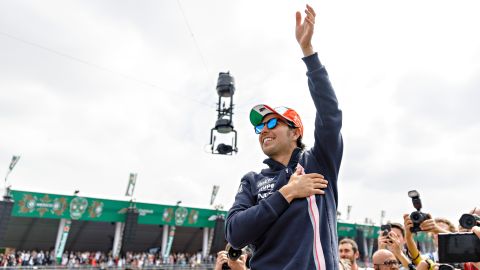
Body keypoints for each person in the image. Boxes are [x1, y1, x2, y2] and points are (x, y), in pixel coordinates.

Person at [225, 4, 343, 270]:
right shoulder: (252, 181)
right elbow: (235, 233)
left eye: (272, 123)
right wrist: (288, 192)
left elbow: (330, 115)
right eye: (260, 127)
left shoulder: (318, 162)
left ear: (295, 131)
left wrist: (308, 52)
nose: (264, 130)